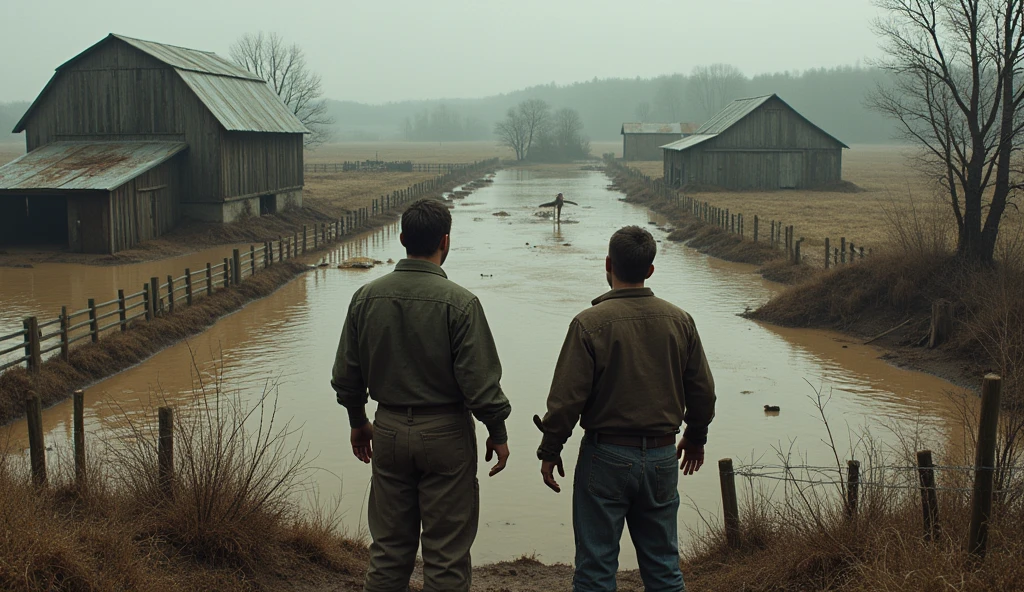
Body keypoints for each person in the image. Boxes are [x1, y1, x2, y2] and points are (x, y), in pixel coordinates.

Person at [332, 198, 512, 592]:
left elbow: (346, 374)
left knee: (388, 552)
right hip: (446, 433)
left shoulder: (365, 297)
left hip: (389, 429)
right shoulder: (461, 303)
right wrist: (497, 432)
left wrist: (358, 421)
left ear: (401, 239)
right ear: (445, 242)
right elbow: (480, 385)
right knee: (446, 557)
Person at [534, 225, 716, 592]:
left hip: (606, 456)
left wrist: (550, 449)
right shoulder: (680, 321)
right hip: (664, 454)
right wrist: (695, 438)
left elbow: (567, 399)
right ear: (650, 270)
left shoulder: (589, 324)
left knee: (595, 569)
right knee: (665, 567)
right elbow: (703, 393)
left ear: (608, 264)